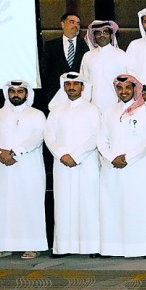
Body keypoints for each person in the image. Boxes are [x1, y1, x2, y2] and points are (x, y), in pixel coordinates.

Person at [96, 75, 146, 257]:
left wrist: (127, 158)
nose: (123, 91)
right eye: (120, 88)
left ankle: (144, 248)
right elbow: (101, 139)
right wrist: (111, 157)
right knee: (113, 207)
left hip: (138, 168)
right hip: (112, 167)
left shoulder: (145, 111)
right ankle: (112, 248)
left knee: (139, 207)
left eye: (127, 88)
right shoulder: (108, 112)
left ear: (134, 89)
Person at [0, 80, 47, 259]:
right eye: (12, 91)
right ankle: (1, 245)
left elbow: (37, 137)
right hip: (0, 167)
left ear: (27, 94)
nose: (16, 94)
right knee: (0, 205)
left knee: (28, 204)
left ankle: (32, 245)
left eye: (20, 91)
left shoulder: (36, 114)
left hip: (27, 168)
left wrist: (14, 152)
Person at [43, 72, 101, 256]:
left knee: (88, 203)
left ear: (83, 87)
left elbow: (95, 136)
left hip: (85, 162)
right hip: (62, 164)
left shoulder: (92, 110)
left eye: (76, 84)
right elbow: (49, 136)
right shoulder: (56, 110)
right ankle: (63, 247)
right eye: (68, 84)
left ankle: (91, 247)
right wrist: (62, 155)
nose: (71, 88)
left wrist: (76, 155)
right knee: (63, 203)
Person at [40, 12, 89, 109]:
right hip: (54, 97)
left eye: (78, 23)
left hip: (78, 98)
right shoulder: (50, 45)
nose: (75, 25)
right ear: (62, 24)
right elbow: (44, 72)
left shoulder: (85, 46)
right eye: (72, 22)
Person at [78, 20, 128, 112]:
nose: (102, 35)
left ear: (110, 36)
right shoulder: (88, 56)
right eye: (98, 33)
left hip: (115, 105)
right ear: (94, 37)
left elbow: (125, 82)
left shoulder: (121, 55)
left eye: (105, 32)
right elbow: (84, 83)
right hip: (92, 106)